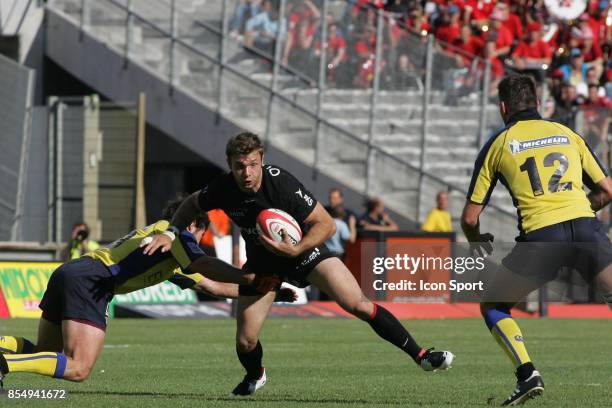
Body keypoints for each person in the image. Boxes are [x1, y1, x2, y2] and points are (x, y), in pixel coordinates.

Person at [142, 132, 454, 397]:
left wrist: (297, 249)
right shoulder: (223, 188)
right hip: (265, 262)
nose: (247, 173)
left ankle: (422, 355)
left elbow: (327, 225)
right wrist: (171, 232)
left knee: (356, 303)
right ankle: (256, 376)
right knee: (245, 340)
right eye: (239, 167)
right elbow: (191, 204)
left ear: (261, 159)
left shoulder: (281, 184)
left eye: (252, 164)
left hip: (306, 251)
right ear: (230, 166)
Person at [0, 197, 282, 386]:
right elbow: (205, 264)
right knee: (79, 368)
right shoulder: (177, 236)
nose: (198, 242)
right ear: (193, 224)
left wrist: (263, 291)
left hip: (72, 271)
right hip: (91, 281)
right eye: (200, 235)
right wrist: (250, 277)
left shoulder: (167, 249)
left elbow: (213, 286)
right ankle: (4, 365)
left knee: (47, 352)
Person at [461, 74, 612, 406]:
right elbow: (607, 190)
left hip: (543, 236)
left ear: (503, 107)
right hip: (586, 228)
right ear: (538, 104)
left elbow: (470, 217)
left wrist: (476, 240)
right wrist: (580, 210)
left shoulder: (499, 143)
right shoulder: (566, 133)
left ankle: (527, 373)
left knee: (494, 305)